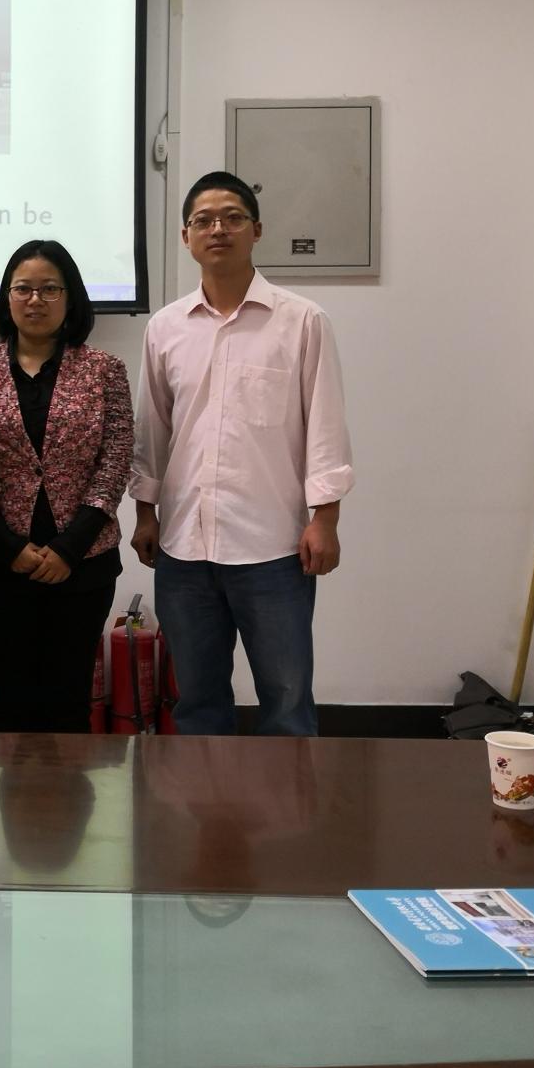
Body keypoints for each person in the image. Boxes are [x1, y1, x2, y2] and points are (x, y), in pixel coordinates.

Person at [129, 170, 354, 736]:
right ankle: (205, 796)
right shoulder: (165, 328)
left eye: (232, 217)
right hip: (184, 548)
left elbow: (325, 427)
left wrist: (325, 518)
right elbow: (153, 428)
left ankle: (290, 796)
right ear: (186, 237)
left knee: (287, 701)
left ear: (257, 230)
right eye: (203, 220)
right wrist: (145, 513)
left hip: (273, 548)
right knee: (197, 702)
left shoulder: (302, 321)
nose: (218, 229)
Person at [0, 239, 133, 732]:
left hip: (83, 563)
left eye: (49, 289)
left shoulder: (105, 370)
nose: (35, 300)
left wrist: (69, 548)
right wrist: (8, 545)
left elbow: (115, 459)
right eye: (23, 289)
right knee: (10, 701)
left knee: (69, 702)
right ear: (7, 298)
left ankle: (64, 787)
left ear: (70, 298)